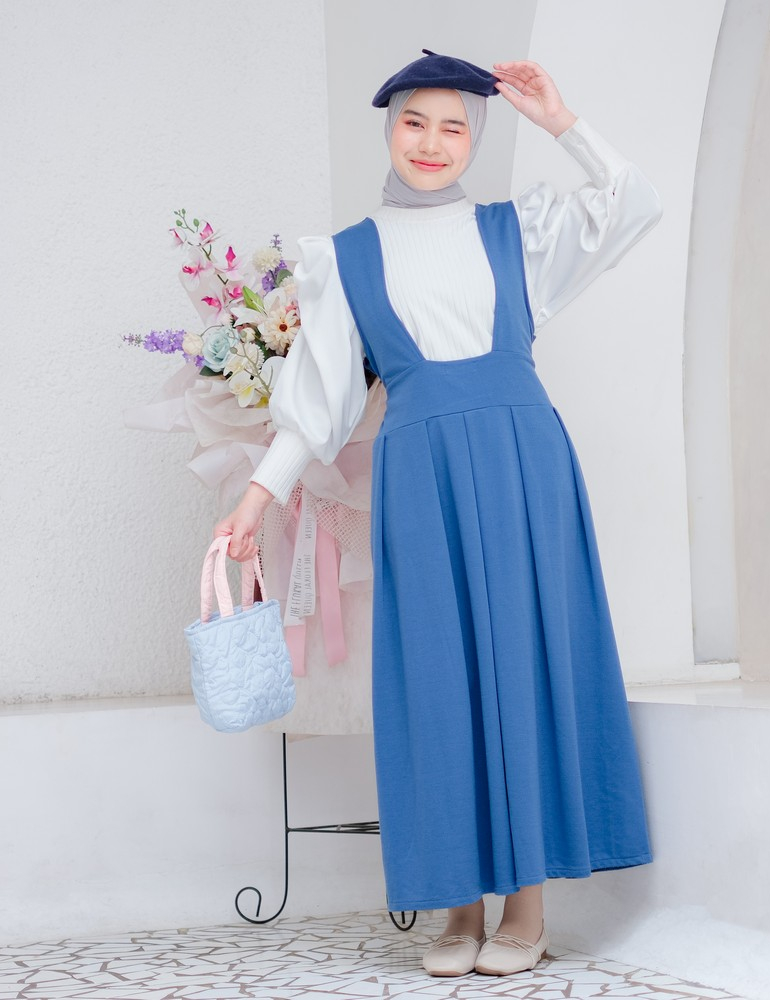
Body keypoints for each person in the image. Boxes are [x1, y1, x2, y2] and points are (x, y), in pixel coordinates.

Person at [215, 50, 663, 978]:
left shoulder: (516, 232)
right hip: (420, 476)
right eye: (415, 122)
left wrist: (562, 122)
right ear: (389, 129)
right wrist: (255, 498)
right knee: (438, 678)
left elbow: (634, 203)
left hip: (523, 465)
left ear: (475, 139)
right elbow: (316, 401)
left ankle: (527, 908)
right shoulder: (345, 256)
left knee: (523, 665)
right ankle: (459, 907)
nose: (432, 142)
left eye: (454, 125)